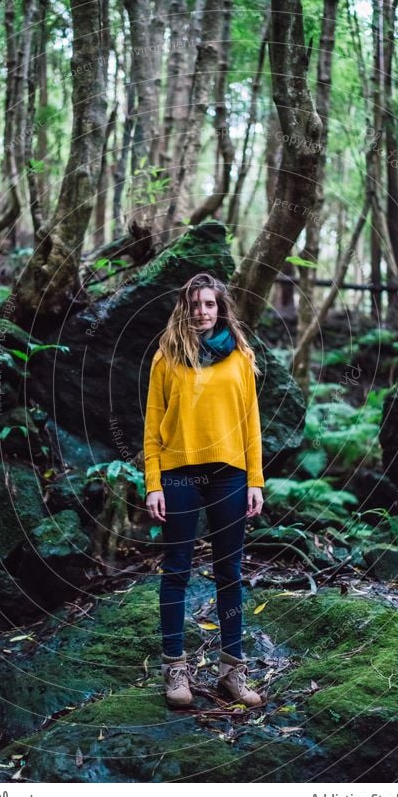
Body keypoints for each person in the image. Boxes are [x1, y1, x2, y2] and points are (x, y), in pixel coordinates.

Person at [143, 272, 265, 708]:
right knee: (176, 569)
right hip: (178, 474)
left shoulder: (241, 359)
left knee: (229, 572)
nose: (201, 312)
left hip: (230, 475)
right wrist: (153, 484)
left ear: (221, 309)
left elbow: (251, 424)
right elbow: (152, 426)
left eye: (209, 304)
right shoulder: (166, 358)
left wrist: (256, 480)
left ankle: (232, 671)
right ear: (185, 308)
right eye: (194, 304)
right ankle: (175, 668)